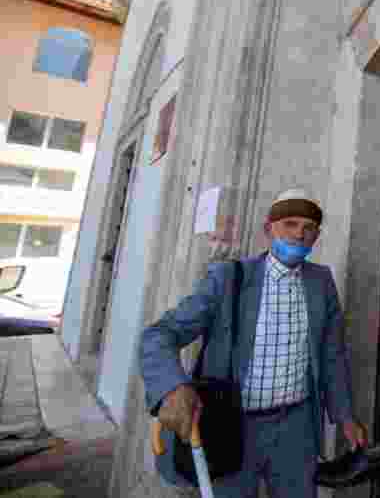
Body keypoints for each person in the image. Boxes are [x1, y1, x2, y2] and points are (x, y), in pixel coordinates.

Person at [139, 189, 367, 497]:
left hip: (295, 427)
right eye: (290, 224)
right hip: (232, 426)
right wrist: (170, 387)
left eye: (309, 227)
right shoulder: (229, 278)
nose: (300, 234)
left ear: (316, 237)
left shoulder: (321, 282)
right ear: (268, 229)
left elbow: (332, 354)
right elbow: (161, 334)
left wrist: (344, 416)